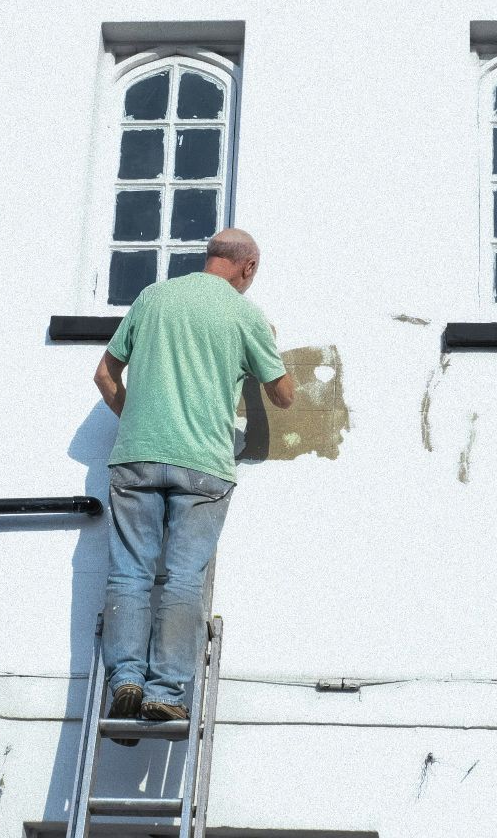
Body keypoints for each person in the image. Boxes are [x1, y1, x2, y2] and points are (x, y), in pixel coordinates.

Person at [92, 228, 294, 738]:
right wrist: (265, 345)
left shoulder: (153, 298)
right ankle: (163, 694)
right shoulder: (243, 314)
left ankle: (125, 684)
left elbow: (105, 375)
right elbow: (285, 395)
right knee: (183, 579)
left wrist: (134, 416)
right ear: (247, 267)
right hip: (203, 464)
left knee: (129, 576)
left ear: (210, 258)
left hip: (136, 457)